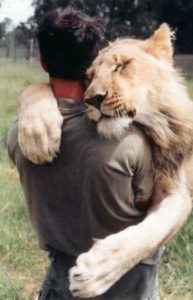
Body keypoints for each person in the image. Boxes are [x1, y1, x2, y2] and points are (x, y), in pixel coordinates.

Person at [7, 6, 162, 300]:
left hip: (64, 281)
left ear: (42, 62)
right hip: (132, 284)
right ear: (95, 59)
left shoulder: (22, 133)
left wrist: (34, 94)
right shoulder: (134, 139)